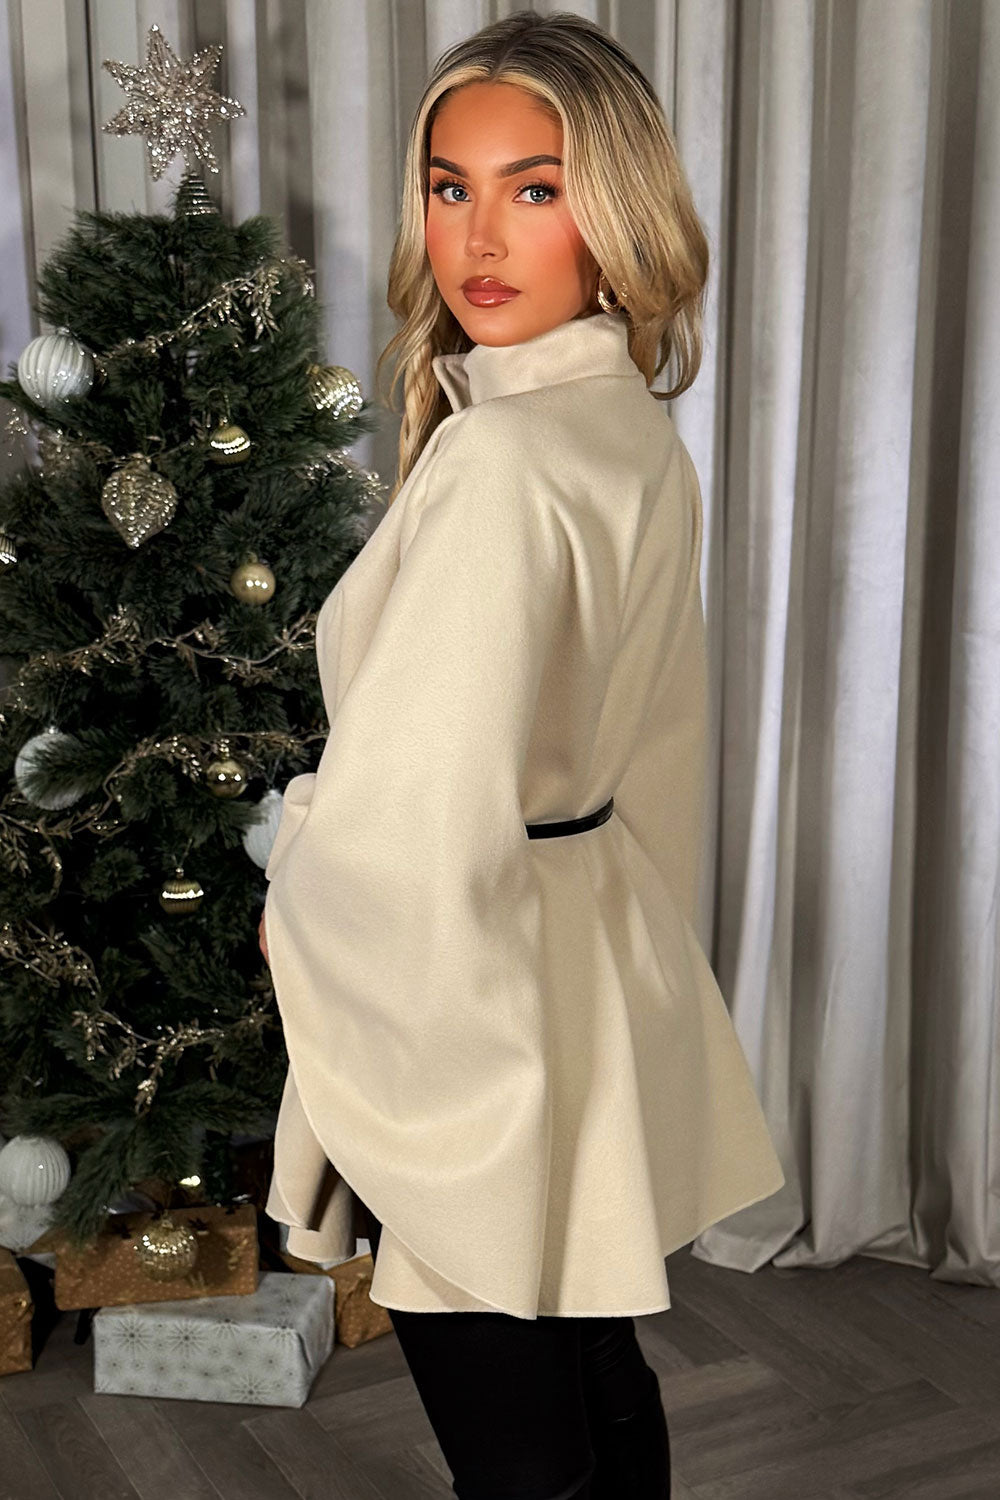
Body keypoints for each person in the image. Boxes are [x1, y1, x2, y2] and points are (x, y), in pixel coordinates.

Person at [258, 10, 785, 1498]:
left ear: (615, 218)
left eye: (534, 189)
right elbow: (658, 745)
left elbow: (414, 814)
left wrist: (294, 884)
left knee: (511, 1435)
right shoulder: (629, 428)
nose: (478, 237)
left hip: (470, 992)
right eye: (450, 186)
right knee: (594, 1372)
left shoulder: (499, 459)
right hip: (585, 967)